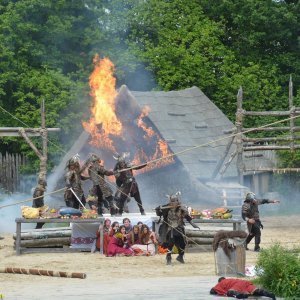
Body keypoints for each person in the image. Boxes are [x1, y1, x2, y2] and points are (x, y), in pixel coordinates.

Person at [155, 191, 200, 265]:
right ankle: (168, 257)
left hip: (179, 227)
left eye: (175, 201)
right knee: (171, 242)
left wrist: (193, 224)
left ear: (178, 201)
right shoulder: (166, 208)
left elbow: (187, 217)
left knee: (182, 243)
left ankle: (180, 256)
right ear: (170, 201)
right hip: (170, 228)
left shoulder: (182, 208)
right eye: (172, 201)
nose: (174, 202)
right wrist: (157, 209)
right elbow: (159, 214)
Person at [210, 277, 276, 299]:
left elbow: (213, 291)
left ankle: (244, 296)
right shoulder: (232, 279)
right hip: (245, 282)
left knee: (231, 292)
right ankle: (268, 294)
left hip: (237, 285)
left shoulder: (222, 282)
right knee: (256, 291)